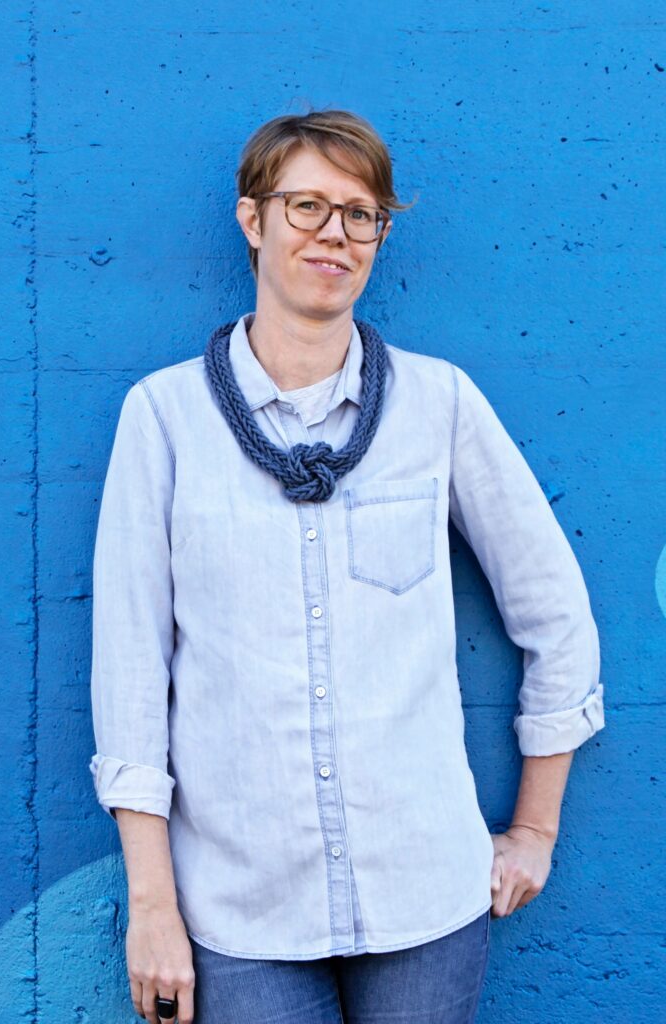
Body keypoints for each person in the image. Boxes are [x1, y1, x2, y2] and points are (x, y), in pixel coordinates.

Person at [87, 109, 605, 1024]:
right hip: (239, 916)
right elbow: (131, 676)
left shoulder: (437, 404)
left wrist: (535, 827)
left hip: (427, 899)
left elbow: (555, 612)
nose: (335, 233)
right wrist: (154, 909)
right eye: (308, 207)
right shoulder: (164, 420)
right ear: (253, 221)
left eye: (360, 214)